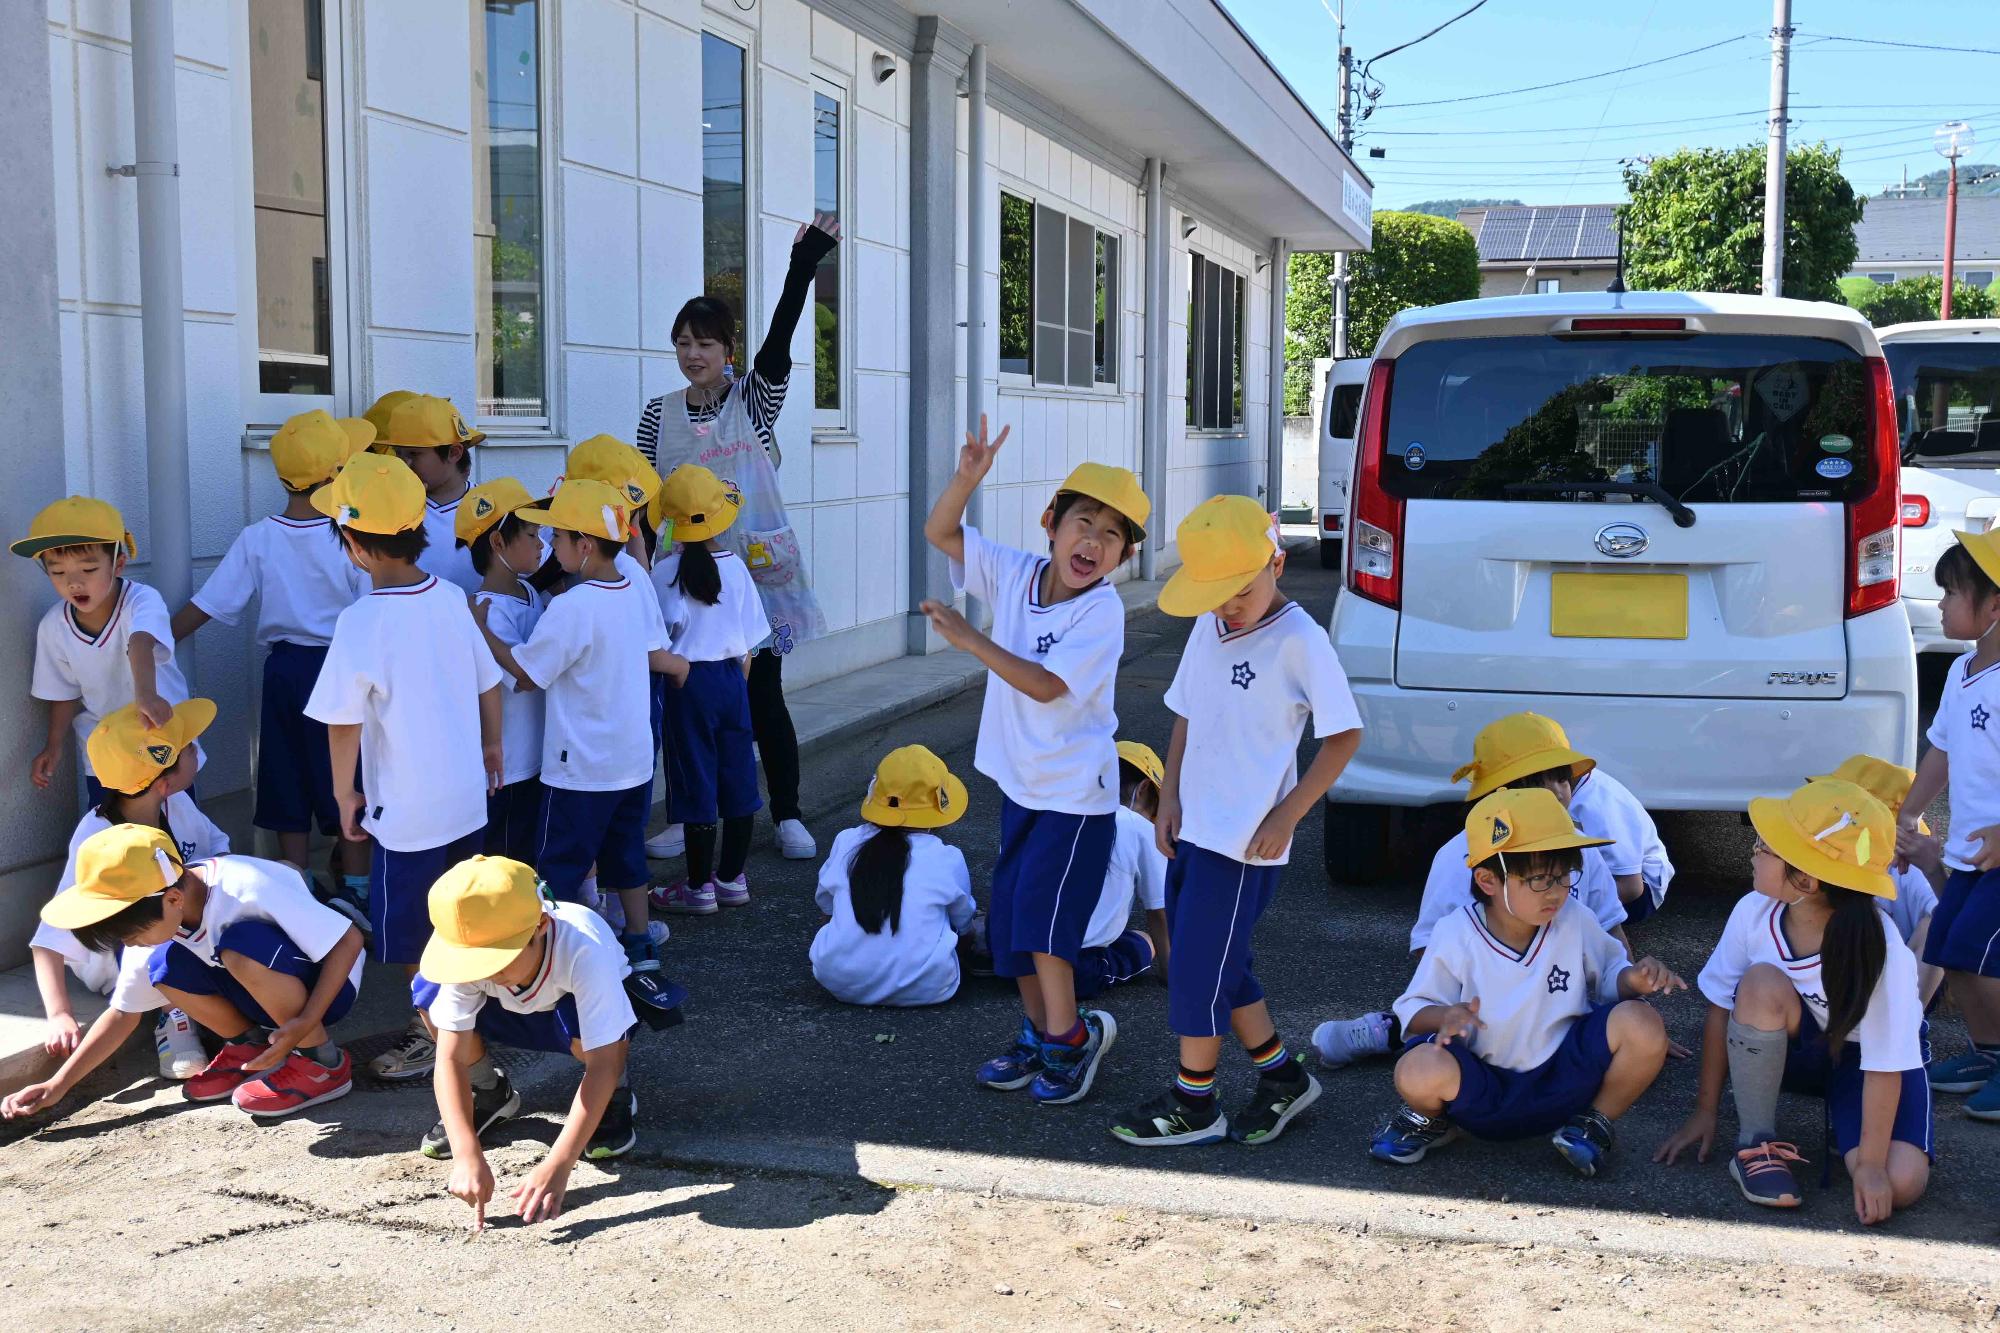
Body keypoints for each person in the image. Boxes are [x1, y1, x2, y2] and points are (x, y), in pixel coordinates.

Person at [1110, 496, 1361, 1148]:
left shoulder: (1302, 639)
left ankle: (1196, 1101)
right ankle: (1282, 1077)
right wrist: (1167, 798)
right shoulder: (1207, 625)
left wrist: (1289, 813)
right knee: (1224, 962)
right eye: (1215, 591)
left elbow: (1342, 736)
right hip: (1195, 827)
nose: (1228, 603)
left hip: (1248, 843)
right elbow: (1186, 712)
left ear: (1276, 561)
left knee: (1197, 966)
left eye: (1241, 588)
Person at [920, 416, 1146, 1106]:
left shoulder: (1101, 614)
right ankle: (1038, 1030)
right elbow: (942, 533)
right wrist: (966, 478)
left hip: (1076, 796)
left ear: (1122, 559)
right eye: (1084, 522)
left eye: (1113, 536)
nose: (1094, 542)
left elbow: (1048, 685)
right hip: (1023, 785)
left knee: (1049, 928)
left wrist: (970, 640)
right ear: (1051, 522)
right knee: (1015, 921)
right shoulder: (1018, 571)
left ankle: (1070, 1038)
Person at [636, 215, 842, 865]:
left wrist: (802, 265)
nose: (693, 354)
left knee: (762, 695)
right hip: (684, 579)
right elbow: (642, 499)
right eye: (683, 343)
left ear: (728, 350)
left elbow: (778, 345)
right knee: (687, 705)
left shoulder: (753, 401)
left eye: (705, 343)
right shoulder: (657, 413)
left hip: (753, 573)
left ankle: (786, 812)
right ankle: (689, 814)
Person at [304, 453, 506, 1081]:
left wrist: (343, 795)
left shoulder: (361, 620)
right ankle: (468, 1031)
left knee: (420, 951)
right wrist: (493, 747)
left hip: (408, 816)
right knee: (464, 928)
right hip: (466, 799)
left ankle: (461, 1063)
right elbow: (488, 682)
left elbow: (343, 719)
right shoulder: (449, 596)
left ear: (354, 546)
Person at [1657, 779, 1930, 1223]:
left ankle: (1855, 1133)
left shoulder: (1882, 948)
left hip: (1869, 1066)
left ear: (1805, 878)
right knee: (1760, 983)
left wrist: (1873, 1166)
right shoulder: (1752, 911)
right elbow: (1720, 1009)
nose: (1753, 851)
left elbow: (1886, 1063)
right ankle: (1755, 1144)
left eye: (1765, 846)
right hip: (1796, 1055)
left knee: (1900, 1184)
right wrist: (1705, 1111)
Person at [1370, 789, 1679, 1176]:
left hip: (1564, 1083)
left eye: (1565, 876)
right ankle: (1429, 1121)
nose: (1556, 891)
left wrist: (1634, 978)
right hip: (1482, 1087)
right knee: (1417, 1067)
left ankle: (1592, 1125)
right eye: (1539, 880)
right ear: (1487, 880)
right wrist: (1445, 1016)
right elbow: (1412, 1010)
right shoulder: (1455, 933)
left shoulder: (1575, 918)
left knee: (1643, 1023)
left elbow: (1611, 980)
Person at [1311, 712, 1631, 1070]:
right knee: (1445, 1049)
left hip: (1560, 999)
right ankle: (1389, 1029)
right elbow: (1429, 946)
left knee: (1593, 1041)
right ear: (1499, 792)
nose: (1557, 792)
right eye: (1537, 782)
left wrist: (1630, 1009)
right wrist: (1454, 1006)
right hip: (1480, 1002)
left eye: (1561, 778)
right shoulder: (1458, 857)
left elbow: (1610, 928)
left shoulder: (1582, 849)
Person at [476, 478, 688, 992]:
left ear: (585, 545)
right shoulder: (632, 588)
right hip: (633, 760)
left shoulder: (573, 606)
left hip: (580, 769)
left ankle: (564, 959)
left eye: (559, 538)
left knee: (561, 866)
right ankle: (640, 948)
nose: (550, 547)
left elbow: (526, 675)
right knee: (625, 856)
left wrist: (483, 630)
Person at [2, 825, 366, 1122]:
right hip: (264, 991)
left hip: (327, 985)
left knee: (239, 947)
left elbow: (347, 940)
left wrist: (306, 1022)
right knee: (163, 965)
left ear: (173, 899)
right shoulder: (156, 906)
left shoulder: (246, 886)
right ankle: (247, 1046)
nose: (133, 944)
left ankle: (321, 1062)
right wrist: (57, 1085)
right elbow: (124, 1013)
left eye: (133, 935)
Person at [170, 409, 374, 917]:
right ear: (336, 475)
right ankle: (358, 889)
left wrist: (154, 638)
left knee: (285, 774)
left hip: (283, 673)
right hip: (340, 669)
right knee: (345, 777)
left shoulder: (257, 537)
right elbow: (374, 609)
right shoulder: (350, 535)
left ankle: (296, 885)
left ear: (281, 475)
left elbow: (210, 604)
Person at [415, 856, 644, 1223]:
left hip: (574, 1018)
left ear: (540, 924)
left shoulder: (583, 946)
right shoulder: (467, 940)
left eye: (497, 959)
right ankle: (488, 1091)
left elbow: (603, 1062)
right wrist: (466, 1153)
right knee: (429, 994)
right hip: (515, 1010)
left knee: (597, 1047)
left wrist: (558, 1164)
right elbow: (450, 1059)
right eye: (473, 961)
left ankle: (615, 1096)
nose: (484, 972)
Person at [30, 699, 226, 1079]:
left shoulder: (178, 804)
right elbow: (48, 938)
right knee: (159, 920)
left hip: (182, 933)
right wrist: (59, 1014)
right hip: (126, 955)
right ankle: (175, 1024)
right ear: (164, 781)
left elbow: (220, 859)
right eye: (188, 747)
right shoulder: (98, 837)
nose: (195, 750)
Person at [1899, 528, 2000, 1120]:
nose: (1939, 604)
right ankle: (1988, 1053)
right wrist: (1908, 813)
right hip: (1967, 848)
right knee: (1948, 946)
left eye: (1951, 593)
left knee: (1979, 951)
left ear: (1994, 605)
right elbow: (1940, 752)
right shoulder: (1963, 672)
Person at [644, 465, 767, 913]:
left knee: (693, 776)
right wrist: (736, 686)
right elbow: (751, 643)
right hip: (733, 679)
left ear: (669, 520)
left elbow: (653, 635)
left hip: (685, 682)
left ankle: (698, 887)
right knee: (737, 775)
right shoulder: (736, 570)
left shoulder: (664, 572)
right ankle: (732, 878)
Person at [19, 496, 191, 807]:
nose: (73, 583)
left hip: (161, 741)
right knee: (112, 841)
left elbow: (140, 640)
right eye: (57, 572)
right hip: (104, 755)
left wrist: (146, 696)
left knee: (176, 836)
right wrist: (54, 746)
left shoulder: (142, 600)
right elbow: (64, 693)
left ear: (118, 563)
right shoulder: (53, 626)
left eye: (88, 569)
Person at [810, 745, 976, 1006]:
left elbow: (826, 906)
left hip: (840, 982)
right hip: (929, 988)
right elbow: (963, 923)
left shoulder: (847, 841)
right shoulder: (947, 857)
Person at [457, 478, 548, 864]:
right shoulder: (483, 609)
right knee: (506, 860)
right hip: (506, 769)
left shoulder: (529, 593)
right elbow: (524, 677)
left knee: (530, 854)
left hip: (536, 758)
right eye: (531, 534)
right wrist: (477, 629)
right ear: (498, 543)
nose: (542, 544)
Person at [1820, 754, 1943, 1005]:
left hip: (1898, 976)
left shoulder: (1909, 870)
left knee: (1936, 926)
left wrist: (1933, 867)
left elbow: (1950, 917)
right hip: (1838, 971)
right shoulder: (1834, 847)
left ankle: (1909, 1020)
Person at [1073, 740, 1171, 997]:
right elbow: (1159, 912)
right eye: (1156, 810)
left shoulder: (1061, 812)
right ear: (1144, 789)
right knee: (1144, 941)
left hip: (1018, 956)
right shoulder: (1139, 827)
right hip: (1076, 969)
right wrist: (1171, 974)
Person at [376, 393, 486, 594]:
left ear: (454, 453)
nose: (404, 463)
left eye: (414, 454)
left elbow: (542, 569)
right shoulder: (391, 510)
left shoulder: (492, 506)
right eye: (398, 453)